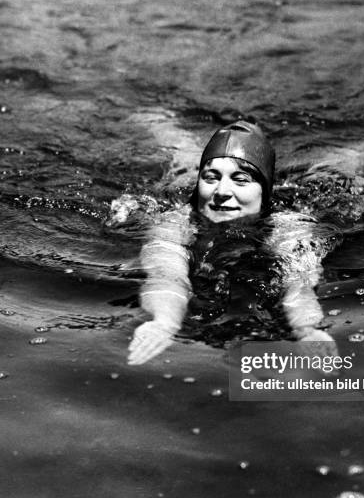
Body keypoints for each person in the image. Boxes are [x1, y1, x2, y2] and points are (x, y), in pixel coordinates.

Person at [127, 121, 339, 365]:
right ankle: (158, 120)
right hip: (182, 178)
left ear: (264, 192)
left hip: (307, 186)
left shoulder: (289, 226)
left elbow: (298, 283)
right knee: (181, 159)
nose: (222, 191)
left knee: (340, 167)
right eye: (211, 177)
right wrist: (164, 322)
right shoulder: (175, 221)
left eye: (240, 180)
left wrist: (306, 328)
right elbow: (166, 275)